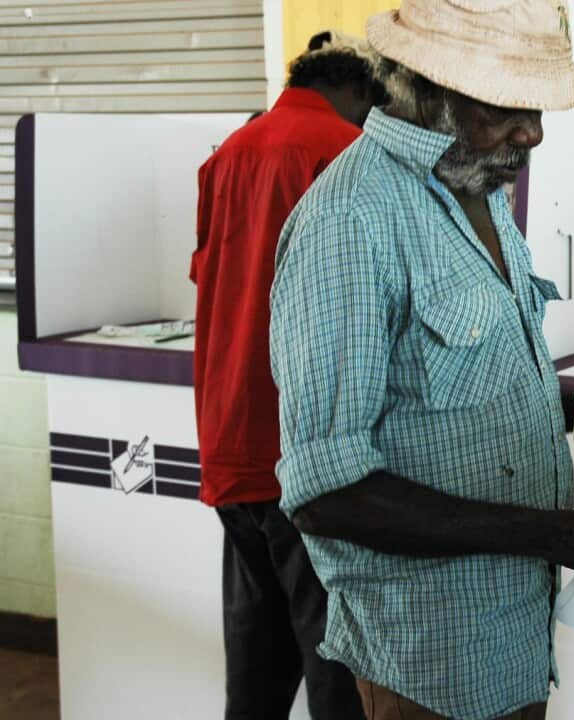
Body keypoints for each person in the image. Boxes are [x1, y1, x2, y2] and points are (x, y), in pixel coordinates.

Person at [268, 2, 574, 719]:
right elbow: (327, 493)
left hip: (508, 643)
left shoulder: (479, 186)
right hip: (428, 664)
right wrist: (557, 532)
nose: (532, 131)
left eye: (536, 106)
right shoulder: (349, 221)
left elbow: (455, 396)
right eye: (507, 106)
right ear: (428, 91)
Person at [190, 30, 387, 720]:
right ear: (361, 92)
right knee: (339, 677)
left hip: (227, 440)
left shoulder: (227, 155)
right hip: (303, 453)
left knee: (255, 673)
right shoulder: (345, 155)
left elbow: (211, 279)